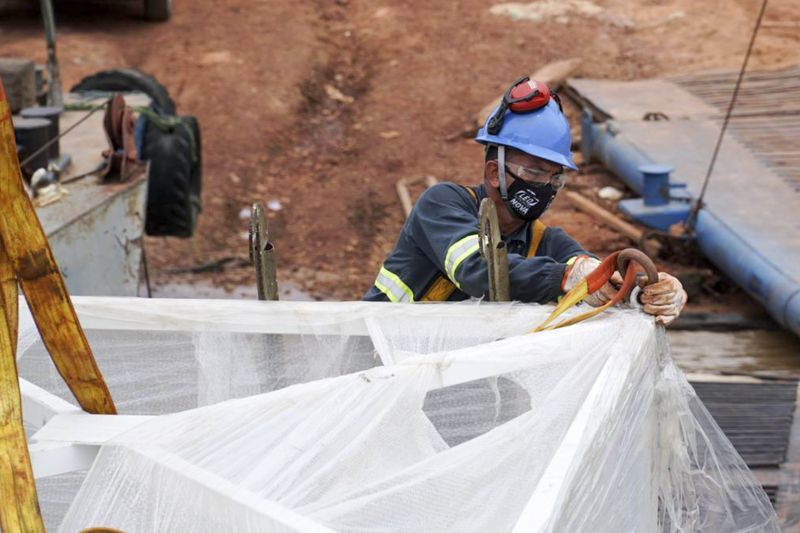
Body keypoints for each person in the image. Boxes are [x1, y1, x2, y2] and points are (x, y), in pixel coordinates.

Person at [364, 77, 686, 325]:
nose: (546, 185)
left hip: (444, 367)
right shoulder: (442, 204)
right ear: (494, 172)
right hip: (378, 359)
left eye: (554, 176)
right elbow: (474, 270)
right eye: (534, 171)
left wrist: (646, 291)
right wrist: (563, 277)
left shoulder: (545, 241)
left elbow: (597, 279)